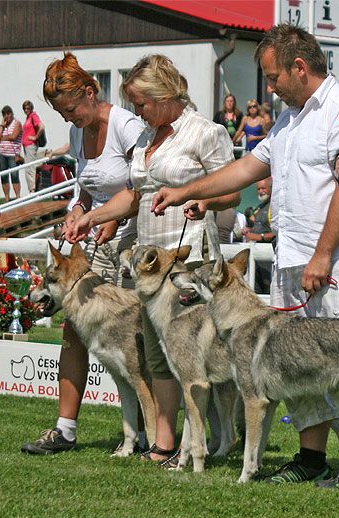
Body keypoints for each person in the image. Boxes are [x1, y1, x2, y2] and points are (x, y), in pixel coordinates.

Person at [151, 24, 339, 490]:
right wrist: (187, 192)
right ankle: (310, 458)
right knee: (294, 366)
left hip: (337, 261)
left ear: (300, 67)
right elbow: (247, 167)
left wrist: (322, 255)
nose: (269, 87)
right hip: (292, 259)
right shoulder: (289, 119)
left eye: (273, 76)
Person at [63, 54, 240, 466]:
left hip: (189, 262)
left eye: (141, 103)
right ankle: (165, 441)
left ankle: (203, 441)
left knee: (193, 356)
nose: (136, 112)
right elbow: (135, 195)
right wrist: (92, 216)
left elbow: (232, 191)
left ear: (164, 94)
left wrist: (203, 199)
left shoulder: (205, 132)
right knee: (159, 355)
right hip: (148, 270)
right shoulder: (145, 137)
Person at [20, 51, 146, 455]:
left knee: (142, 343)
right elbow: (87, 187)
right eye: (61, 113)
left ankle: (151, 434)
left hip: (134, 245)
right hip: (96, 243)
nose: (69, 118)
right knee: (74, 330)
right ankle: (65, 428)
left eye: (71, 108)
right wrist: (78, 212)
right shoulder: (78, 133)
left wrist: (103, 217)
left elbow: (141, 188)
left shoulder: (127, 126)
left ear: (90, 92)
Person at [241, 177, 275, 293]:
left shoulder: (274, 207)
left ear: (271, 188)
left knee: (268, 291)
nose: (260, 191)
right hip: (256, 259)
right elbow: (254, 228)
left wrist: (258, 237)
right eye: (258, 189)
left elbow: (278, 233)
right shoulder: (259, 208)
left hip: (270, 258)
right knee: (256, 290)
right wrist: (247, 230)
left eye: (263, 188)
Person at [0, 105, 23, 202]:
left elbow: (13, 136)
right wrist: (2, 126)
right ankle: (7, 197)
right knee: (4, 176)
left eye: (8, 114)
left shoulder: (17, 123)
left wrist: (2, 138)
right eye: (4, 115)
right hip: (2, 153)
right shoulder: (2, 126)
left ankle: (17, 197)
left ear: (11, 114)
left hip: (12, 154)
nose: (6, 116)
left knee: (14, 175)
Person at [21, 100, 46, 194]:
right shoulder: (28, 118)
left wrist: (35, 137)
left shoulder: (33, 116)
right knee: (28, 168)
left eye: (28, 108)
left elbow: (41, 126)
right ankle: (31, 189)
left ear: (31, 108)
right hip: (26, 146)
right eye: (25, 108)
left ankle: (33, 190)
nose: (26, 110)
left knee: (30, 167)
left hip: (31, 145)